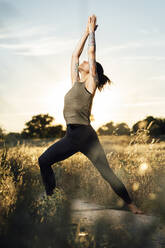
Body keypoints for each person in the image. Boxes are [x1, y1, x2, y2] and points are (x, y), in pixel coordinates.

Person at [38, 15, 144, 214]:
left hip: (80, 134)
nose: (84, 62)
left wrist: (93, 32)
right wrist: (86, 32)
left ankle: (52, 201)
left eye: (88, 63)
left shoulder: (90, 82)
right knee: (106, 172)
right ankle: (131, 204)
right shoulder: (75, 84)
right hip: (81, 134)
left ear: (92, 70)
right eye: (85, 62)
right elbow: (74, 56)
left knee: (44, 161)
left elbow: (91, 52)